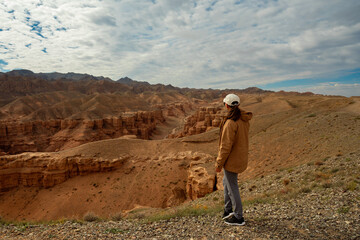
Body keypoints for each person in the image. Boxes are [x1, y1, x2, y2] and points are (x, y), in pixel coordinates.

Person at [215, 93, 253, 226]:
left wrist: (219, 163)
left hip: (231, 160)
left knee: (232, 186)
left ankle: (238, 217)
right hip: (240, 157)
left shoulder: (231, 123)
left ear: (227, 105)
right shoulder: (243, 119)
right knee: (227, 183)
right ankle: (227, 210)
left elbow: (225, 147)